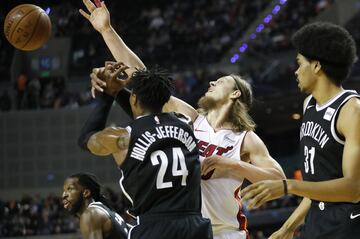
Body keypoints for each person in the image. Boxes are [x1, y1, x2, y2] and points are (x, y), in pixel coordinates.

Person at [79, 1, 286, 238]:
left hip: (226, 233)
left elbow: (279, 180)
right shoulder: (190, 120)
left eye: (219, 82)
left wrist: (230, 164)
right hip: (188, 231)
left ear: (235, 93)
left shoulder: (245, 139)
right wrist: (107, 30)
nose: (211, 83)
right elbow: (145, 80)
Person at [241, 22, 360, 239]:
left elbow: (354, 189)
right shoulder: (309, 105)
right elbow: (314, 187)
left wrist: (289, 186)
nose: (296, 71)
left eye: (299, 63)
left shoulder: (352, 110)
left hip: (347, 225)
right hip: (315, 223)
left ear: (316, 66)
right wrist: (287, 228)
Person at [78, 64, 213, 239]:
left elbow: (85, 139)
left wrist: (109, 94)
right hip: (195, 227)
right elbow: (150, 118)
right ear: (165, 100)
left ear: (134, 99)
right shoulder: (187, 124)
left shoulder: (124, 137)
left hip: (154, 228)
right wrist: (120, 91)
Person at [62, 172, 129, 239]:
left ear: (86, 193)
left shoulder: (90, 214)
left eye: (70, 189)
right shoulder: (100, 211)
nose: (64, 195)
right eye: (64, 190)